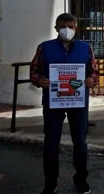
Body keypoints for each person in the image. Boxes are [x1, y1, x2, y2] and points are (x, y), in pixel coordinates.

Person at [30, 13, 99, 194]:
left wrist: (92, 80)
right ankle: (50, 183)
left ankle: (81, 180)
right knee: (51, 143)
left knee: (80, 143)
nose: (67, 30)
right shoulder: (44, 48)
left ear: (76, 28)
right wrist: (39, 80)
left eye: (70, 26)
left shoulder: (86, 48)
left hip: (78, 102)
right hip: (53, 103)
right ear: (56, 28)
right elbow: (34, 71)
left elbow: (94, 72)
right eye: (63, 27)